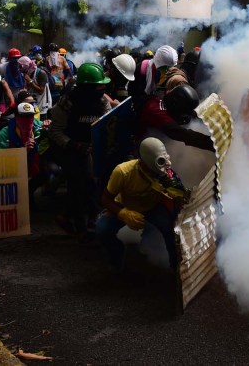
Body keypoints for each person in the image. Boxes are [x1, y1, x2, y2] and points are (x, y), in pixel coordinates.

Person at [96, 137, 187, 272]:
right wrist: (123, 213)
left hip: (152, 207)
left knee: (171, 230)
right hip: (126, 205)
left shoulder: (166, 173)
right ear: (142, 161)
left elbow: (181, 198)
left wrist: (175, 189)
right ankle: (117, 257)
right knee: (102, 229)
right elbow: (105, 199)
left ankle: (176, 268)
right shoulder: (122, 171)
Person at [48, 63, 111, 237]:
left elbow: (107, 124)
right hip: (68, 147)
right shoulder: (67, 103)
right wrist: (73, 145)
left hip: (89, 148)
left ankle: (76, 218)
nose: (103, 88)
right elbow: (55, 131)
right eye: (99, 85)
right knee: (77, 186)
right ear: (87, 87)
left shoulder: (102, 102)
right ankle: (81, 231)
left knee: (91, 184)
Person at [138, 83, 214, 152]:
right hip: (139, 139)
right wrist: (213, 144)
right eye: (183, 113)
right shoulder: (158, 113)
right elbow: (183, 134)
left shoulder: (166, 96)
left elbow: (190, 111)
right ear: (174, 105)